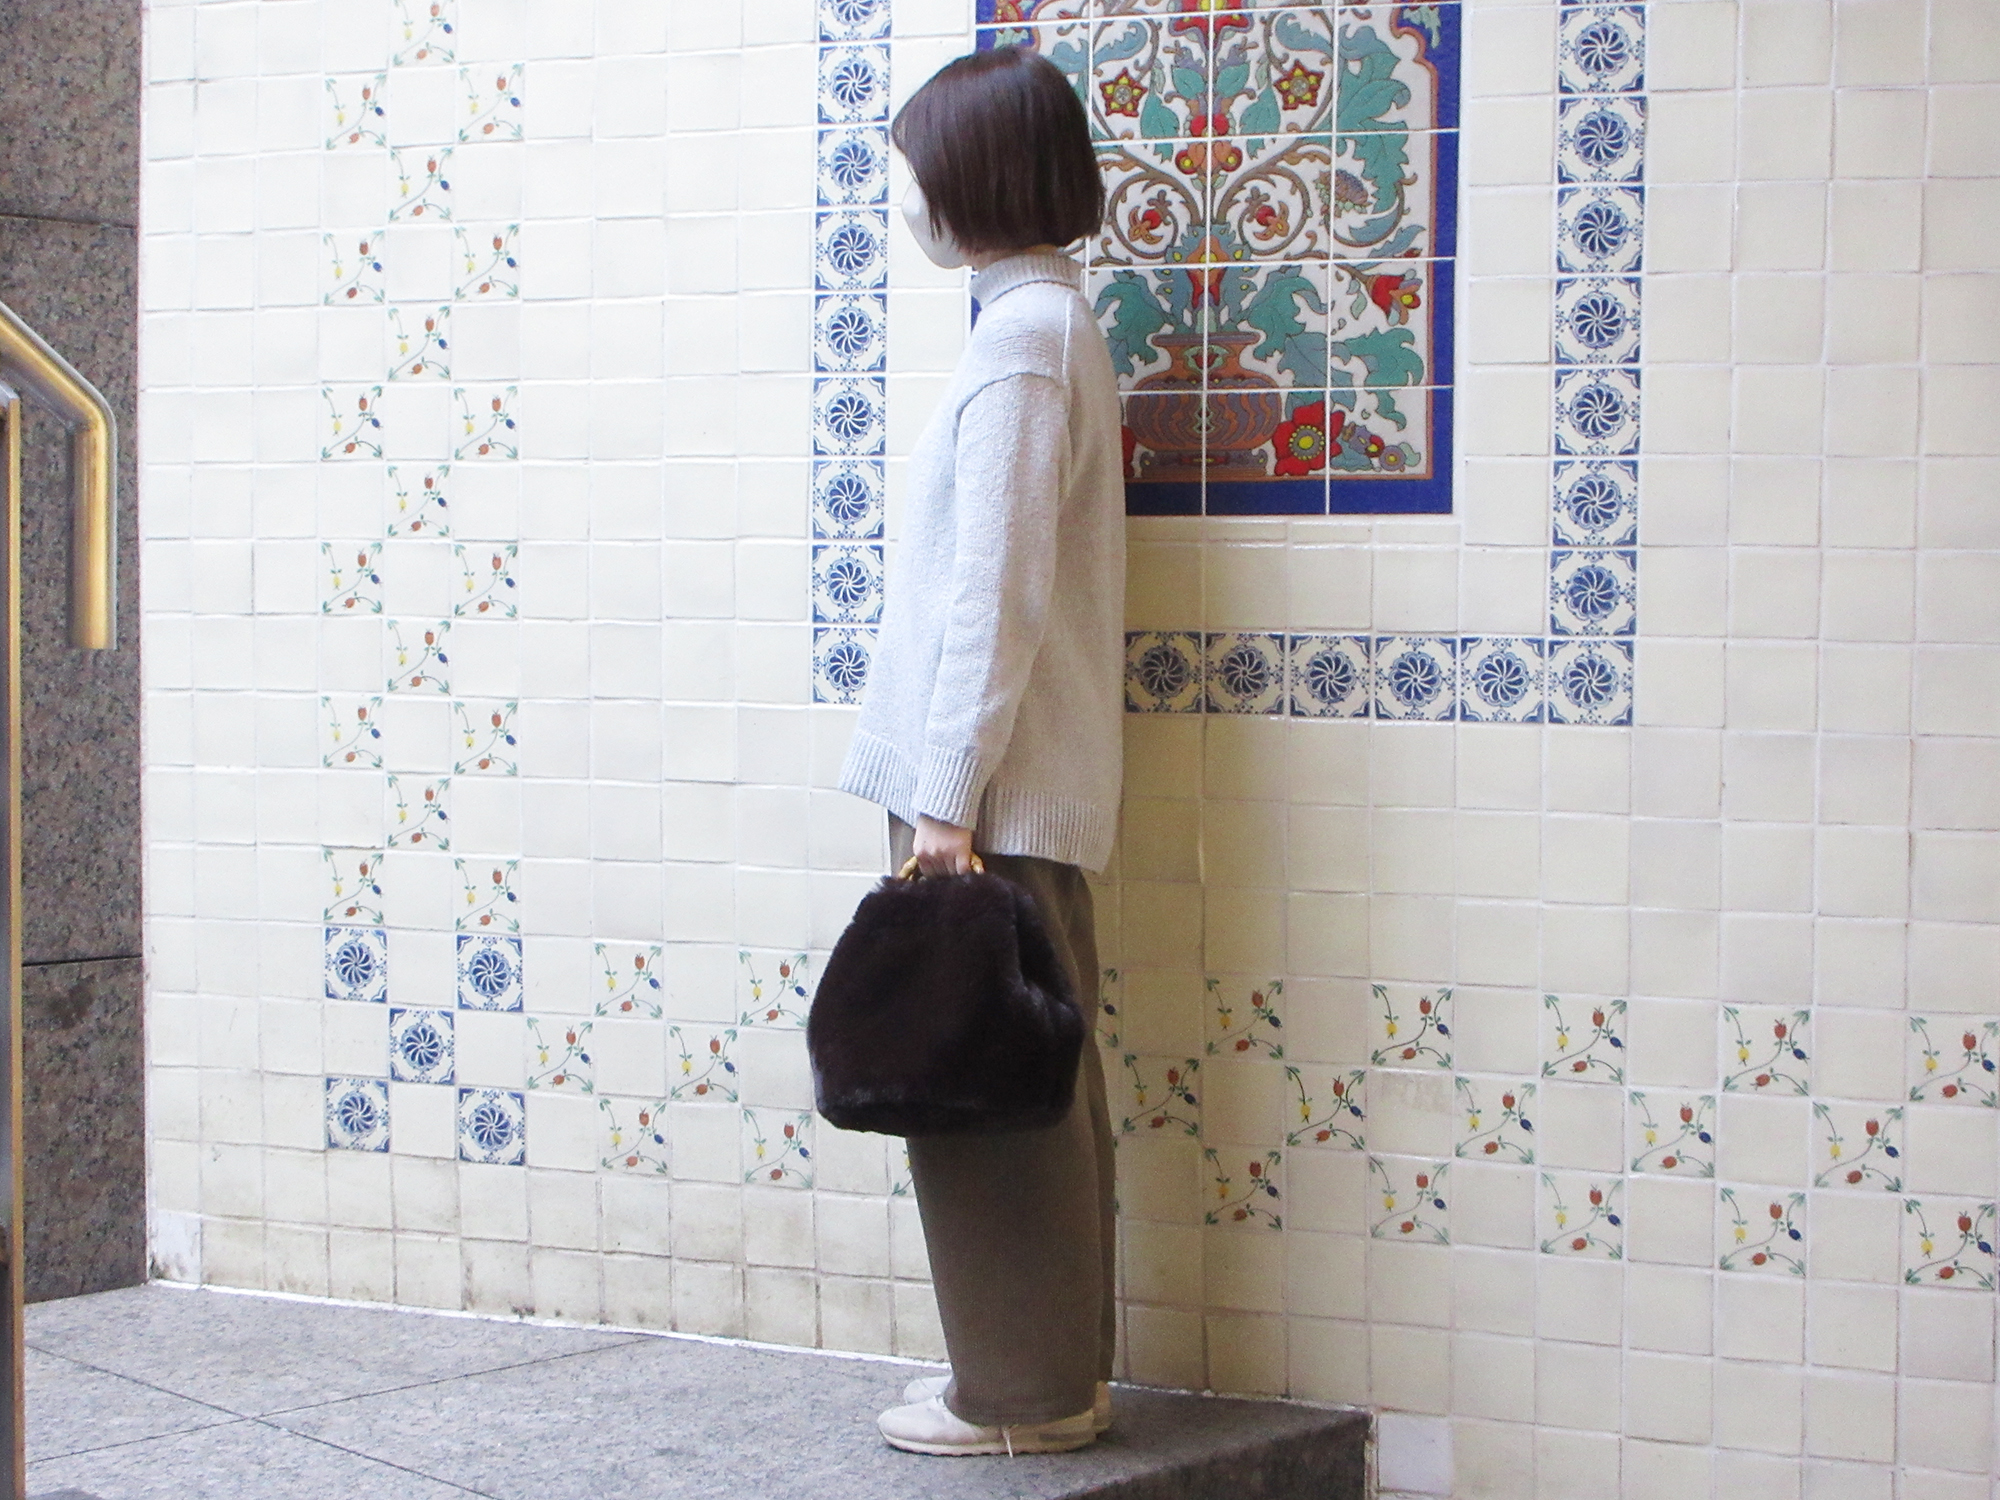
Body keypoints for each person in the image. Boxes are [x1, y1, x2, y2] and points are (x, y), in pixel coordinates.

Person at [834, 46, 1127, 1458]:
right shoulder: (1045, 323)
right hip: (1005, 786)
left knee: (983, 1102)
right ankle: (1050, 1381)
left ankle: (1020, 1399)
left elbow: (991, 595)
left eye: (916, 170)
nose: (906, 197)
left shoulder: (1022, 342)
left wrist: (942, 807)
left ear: (978, 176)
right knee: (1036, 1086)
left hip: (986, 795)